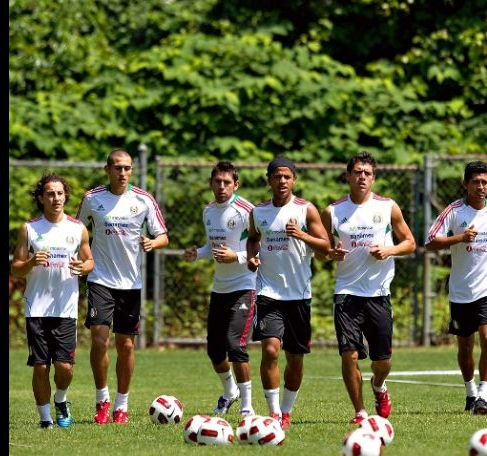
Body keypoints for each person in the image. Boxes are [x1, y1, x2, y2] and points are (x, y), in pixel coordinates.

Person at [320, 151, 416, 424]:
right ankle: (360, 411)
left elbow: (410, 243)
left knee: (383, 360)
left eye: (367, 173)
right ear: (348, 176)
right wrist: (331, 253)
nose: (362, 177)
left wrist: (388, 250)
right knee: (349, 354)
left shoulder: (387, 207)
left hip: (378, 293)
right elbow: (320, 251)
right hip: (346, 292)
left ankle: (378, 385)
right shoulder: (333, 211)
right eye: (357, 172)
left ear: (373, 178)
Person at [77, 149, 169, 424]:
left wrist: (153, 243)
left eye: (127, 168)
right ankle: (102, 399)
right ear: (107, 169)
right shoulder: (93, 199)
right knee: (99, 339)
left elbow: (163, 235)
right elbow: (75, 231)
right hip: (100, 280)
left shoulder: (143, 200)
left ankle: (122, 404)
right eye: (117, 167)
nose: (123, 172)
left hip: (130, 284)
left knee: (126, 345)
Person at [245, 156, 330, 430]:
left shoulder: (307, 210)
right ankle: (272, 414)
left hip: (299, 294)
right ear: (269, 179)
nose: (282, 181)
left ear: (293, 180)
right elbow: (253, 239)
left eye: (287, 177)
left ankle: (286, 410)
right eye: (277, 176)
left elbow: (326, 246)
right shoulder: (258, 212)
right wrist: (251, 258)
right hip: (268, 292)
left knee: (295, 358)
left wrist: (301, 235)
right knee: (270, 350)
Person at [11, 173, 94, 429]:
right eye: (50, 193)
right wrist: (32, 262)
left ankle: (61, 398)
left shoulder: (77, 228)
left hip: (65, 307)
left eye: (59, 193)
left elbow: (89, 261)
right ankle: (45, 419)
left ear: (65, 196)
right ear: (41, 198)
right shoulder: (29, 228)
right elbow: (16, 268)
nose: (56, 198)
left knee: (65, 367)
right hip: (36, 306)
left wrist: (83, 267)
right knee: (39, 366)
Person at [424, 161, 487, 415]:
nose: (480, 186)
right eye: (475, 182)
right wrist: (459, 238)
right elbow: (430, 242)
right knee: (465, 345)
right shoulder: (454, 211)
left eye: (484, 182)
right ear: (466, 184)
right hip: (461, 290)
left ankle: (483, 396)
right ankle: (470, 392)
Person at [184, 161, 256, 418]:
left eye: (227, 182)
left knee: (234, 344)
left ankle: (247, 405)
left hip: (245, 286)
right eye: (218, 182)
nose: (222, 186)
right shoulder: (208, 212)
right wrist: (198, 253)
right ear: (211, 184)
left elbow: (260, 247)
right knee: (214, 349)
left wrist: (236, 257)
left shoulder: (248, 211)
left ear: (236, 185)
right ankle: (230, 392)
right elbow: (213, 246)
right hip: (220, 289)